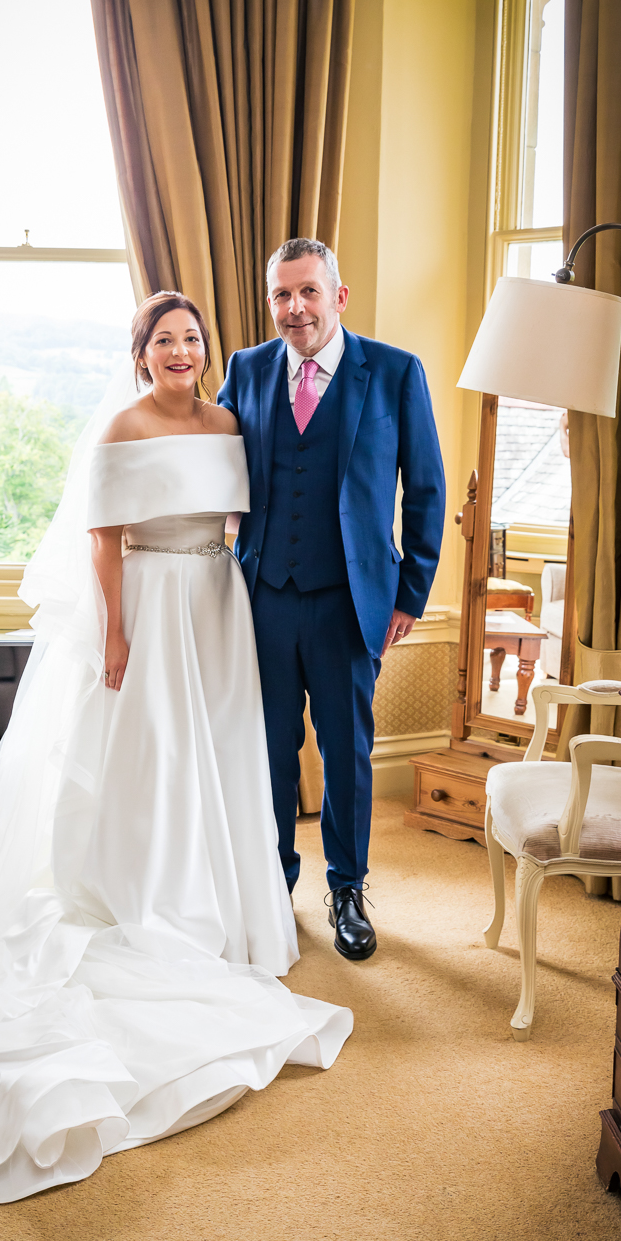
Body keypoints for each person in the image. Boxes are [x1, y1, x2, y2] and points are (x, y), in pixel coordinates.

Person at [0, 292, 350, 1211]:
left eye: (193, 338)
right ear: (142, 352)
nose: (181, 351)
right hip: (150, 605)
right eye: (165, 340)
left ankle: (231, 903)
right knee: (152, 759)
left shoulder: (230, 419)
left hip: (217, 608)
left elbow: (248, 518)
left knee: (222, 759)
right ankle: (145, 893)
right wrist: (116, 633)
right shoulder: (121, 427)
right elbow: (104, 542)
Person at [218, 238, 445, 961]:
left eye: (309, 292)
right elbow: (210, 461)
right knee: (270, 753)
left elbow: (428, 492)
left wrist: (410, 593)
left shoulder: (396, 372)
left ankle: (347, 890)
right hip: (265, 597)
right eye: (282, 295)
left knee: (347, 754)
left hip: (353, 603)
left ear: (337, 297)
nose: (295, 309)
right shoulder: (246, 370)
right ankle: (273, 889)